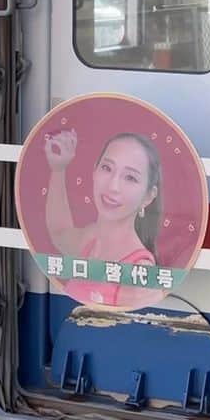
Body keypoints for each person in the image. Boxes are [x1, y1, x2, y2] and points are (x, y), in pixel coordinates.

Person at [44, 130, 162, 306]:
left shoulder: (140, 272)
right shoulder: (91, 240)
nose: (113, 186)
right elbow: (59, 231)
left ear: (148, 197)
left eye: (130, 178)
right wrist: (58, 168)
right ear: (94, 171)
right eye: (107, 168)